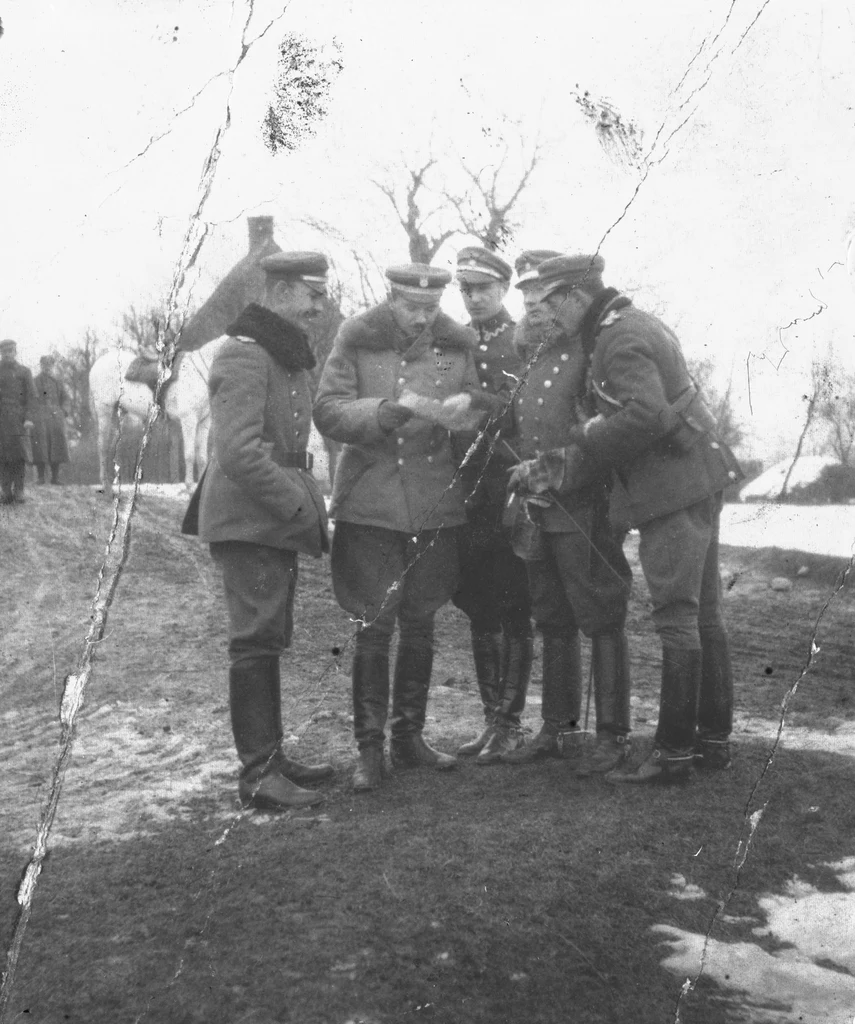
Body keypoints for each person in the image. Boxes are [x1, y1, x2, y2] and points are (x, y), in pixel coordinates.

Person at [514, 253, 742, 783]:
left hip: (670, 492)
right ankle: (712, 742)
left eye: (551, 303)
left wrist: (586, 433)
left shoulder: (616, 338)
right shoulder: (635, 322)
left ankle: (672, 753)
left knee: (678, 619)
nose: (549, 316)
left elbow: (646, 414)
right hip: (696, 482)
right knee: (705, 614)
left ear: (572, 297)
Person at [313, 263, 490, 792]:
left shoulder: (456, 345)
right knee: (374, 625)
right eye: (411, 308)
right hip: (371, 500)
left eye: (430, 309)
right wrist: (385, 411)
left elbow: (480, 404)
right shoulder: (357, 338)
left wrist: (470, 408)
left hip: (435, 503)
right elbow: (328, 410)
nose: (420, 318)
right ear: (392, 299)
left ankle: (409, 738)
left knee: (421, 620)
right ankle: (371, 751)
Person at [190, 251, 334, 811]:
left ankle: (271, 759)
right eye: (311, 295)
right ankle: (258, 776)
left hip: (265, 520)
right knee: (255, 639)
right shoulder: (246, 356)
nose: (320, 308)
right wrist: (298, 509)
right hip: (250, 520)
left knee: (268, 635)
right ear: (277, 294)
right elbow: (240, 454)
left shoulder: (281, 353)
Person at [503, 253, 634, 774]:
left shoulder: (591, 352)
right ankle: (558, 728)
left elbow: (605, 437)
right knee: (551, 618)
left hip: (583, 506)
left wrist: (546, 471)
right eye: (527, 303)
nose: (536, 312)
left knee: (602, 617)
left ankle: (613, 736)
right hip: (539, 511)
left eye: (543, 301)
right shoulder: (530, 357)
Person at [450, 246, 534, 764]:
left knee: (514, 604)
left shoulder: (523, 340)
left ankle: (511, 722)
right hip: (464, 492)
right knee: (478, 601)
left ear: (503, 289)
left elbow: (526, 405)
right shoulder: (450, 343)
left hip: (507, 486)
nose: (474, 297)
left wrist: (481, 404)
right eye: (465, 288)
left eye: (483, 287)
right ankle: (490, 721)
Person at [0, 339, 37, 505]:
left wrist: (29, 418)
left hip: (18, 419)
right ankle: (6, 491)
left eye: (10, 351)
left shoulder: (24, 372)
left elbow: (31, 397)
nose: (7, 354)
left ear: (15, 352)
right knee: (2, 455)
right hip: (1, 418)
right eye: (4, 352)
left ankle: (19, 490)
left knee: (19, 455)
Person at [32, 355, 71, 485]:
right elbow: (30, 399)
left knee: (57, 447)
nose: (47, 368)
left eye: (49, 365)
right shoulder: (34, 381)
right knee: (40, 447)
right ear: (41, 365)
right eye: (44, 365)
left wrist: (64, 410)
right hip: (40, 418)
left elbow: (66, 398)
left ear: (52, 366)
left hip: (56, 418)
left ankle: (55, 477)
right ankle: (41, 477)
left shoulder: (58, 382)